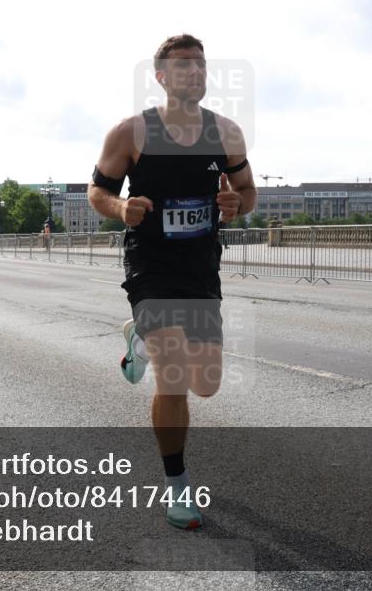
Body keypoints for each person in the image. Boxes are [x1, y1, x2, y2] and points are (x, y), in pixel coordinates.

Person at [88, 34, 256, 530]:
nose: (195, 72)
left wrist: (236, 204)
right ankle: (178, 488)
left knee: (206, 385)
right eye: (183, 66)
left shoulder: (226, 133)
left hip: (200, 267)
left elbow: (247, 192)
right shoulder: (131, 133)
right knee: (175, 376)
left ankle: (136, 336)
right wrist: (121, 207)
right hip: (151, 267)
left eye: (201, 65)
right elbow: (97, 189)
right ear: (161, 77)